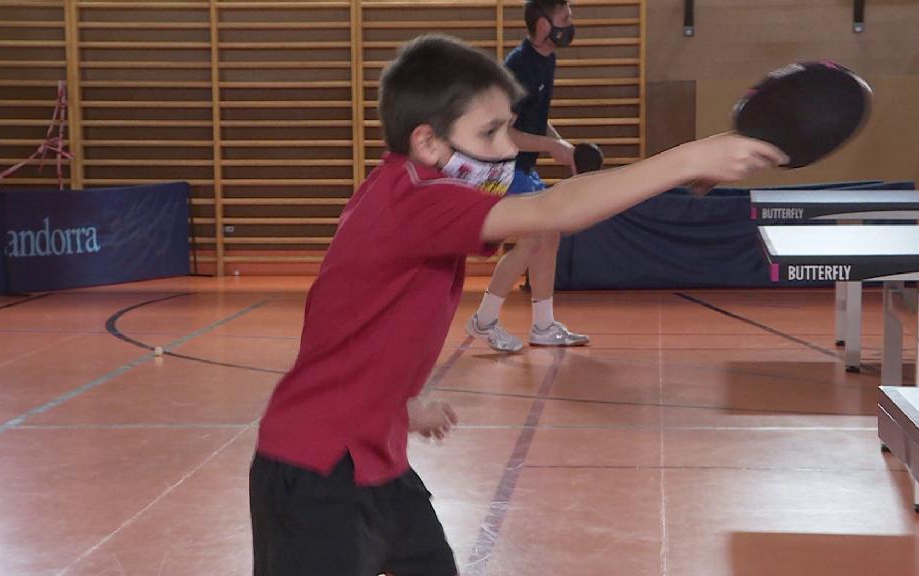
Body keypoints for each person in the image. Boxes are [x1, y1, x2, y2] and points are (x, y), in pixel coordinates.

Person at [250, 34, 786, 576]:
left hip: (374, 456)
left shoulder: (404, 189)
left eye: (509, 126)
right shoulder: (414, 200)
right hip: (315, 471)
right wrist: (690, 157)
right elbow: (557, 208)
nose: (508, 147)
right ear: (429, 143)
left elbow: (353, 328)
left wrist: (397, 405)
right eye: (489, 132)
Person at [466, 0, 585, 353]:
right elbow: (503, 133)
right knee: (533, 240)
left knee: (549, 236)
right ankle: (484, 320)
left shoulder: (546, 60)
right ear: (544, 24)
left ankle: (544, 326)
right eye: (565, 18)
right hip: (501, 167)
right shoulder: (519, 67)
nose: (571, 25)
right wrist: (551, 146)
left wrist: (559, 141)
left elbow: (534, 118)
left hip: (524, 167)